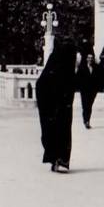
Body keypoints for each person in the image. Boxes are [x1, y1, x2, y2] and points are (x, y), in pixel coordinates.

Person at [36, 42, 78, 173]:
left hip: (60, 105)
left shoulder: (55, 65)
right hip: (55, 105)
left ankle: (60, 160)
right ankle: (58, 159)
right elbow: (42, 86)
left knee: (57, 131)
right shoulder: (59, 68)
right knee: (58, 130)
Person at [76, 47, 101, 129]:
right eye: (88, 58)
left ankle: (87, 120)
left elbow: (99, 78)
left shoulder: (96, 67)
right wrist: (80, 87)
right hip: (84, 90)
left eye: (91, 58)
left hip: (92, 91)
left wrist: (97, 88)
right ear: (86, 59)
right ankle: (86, 121)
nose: (90, 59)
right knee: (85, 106)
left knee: (89, 106)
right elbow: (78, 78)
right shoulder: (82, 67)